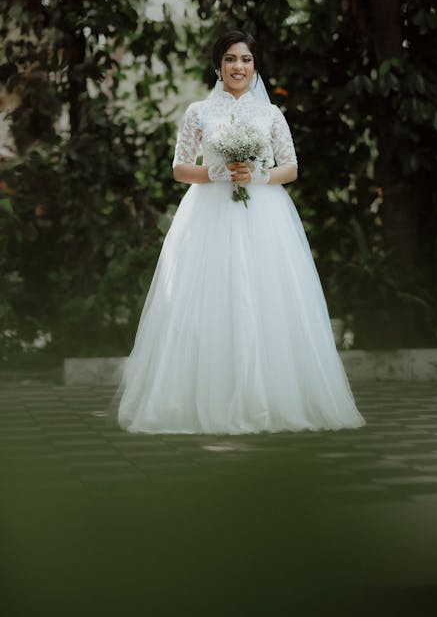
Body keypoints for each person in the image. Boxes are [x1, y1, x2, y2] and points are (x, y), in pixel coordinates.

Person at [117, 30, 365, 434]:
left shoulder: (271, 114)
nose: (239, 67)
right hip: (209, 213)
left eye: (246, 60)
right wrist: (217, 172)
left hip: (264, 214)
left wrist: (259, 174)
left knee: (266, 297)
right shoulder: (198, 112)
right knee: (209, 299)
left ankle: (269, 397)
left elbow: (291, 167)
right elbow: (180, 168)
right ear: (218, 66)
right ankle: (203, 399)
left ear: (255, 66)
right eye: (231, 59)